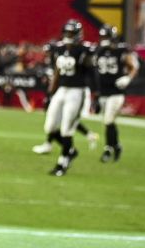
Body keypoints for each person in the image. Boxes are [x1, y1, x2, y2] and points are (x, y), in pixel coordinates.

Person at [40, 20, 95, 176]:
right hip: (62, 90)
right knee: (50, 127)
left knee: (67, 129)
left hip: (77, 91)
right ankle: (71, 151)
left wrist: (95, 95)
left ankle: (62, 163)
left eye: (71, 34)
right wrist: (50, 93)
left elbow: (92, 71)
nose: (68, 36)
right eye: (66, 33)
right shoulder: (60, 49)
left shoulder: (84, 51)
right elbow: (57, 72)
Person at [92, 25, 138, 162]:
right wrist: (96, 94)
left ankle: (108, 149)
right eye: (103, 37)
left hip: (116, 92)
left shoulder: (121, 50)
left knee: (108, 120)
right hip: (103, 92)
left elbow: (134, 67)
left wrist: (128, 78)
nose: (104, 40)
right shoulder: (98, 51)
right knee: (108, 122)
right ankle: (116, 146)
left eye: (106, 37)